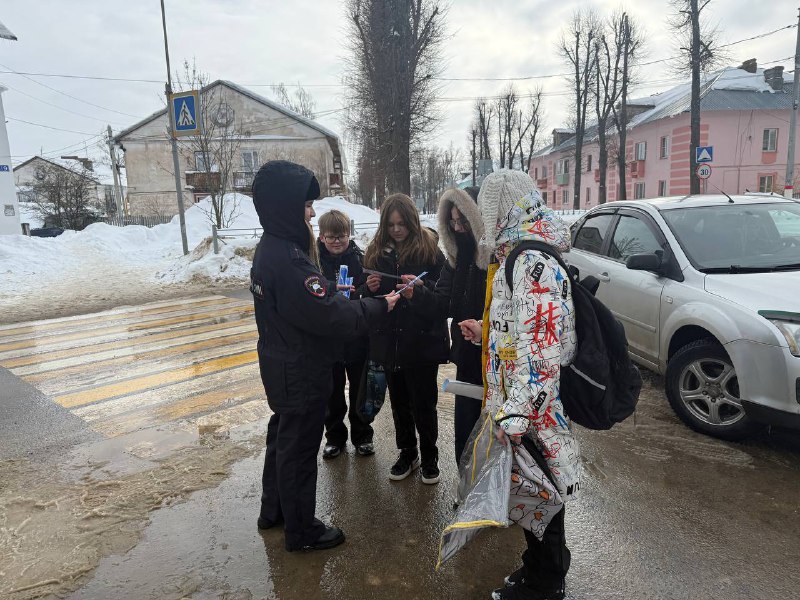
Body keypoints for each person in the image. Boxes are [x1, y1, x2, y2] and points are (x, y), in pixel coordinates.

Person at [250, 160, 399, 552]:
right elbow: (332, 316)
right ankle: (302, 531)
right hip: (300, 370)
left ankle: (274, 511)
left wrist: (332, 289)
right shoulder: (289, 260)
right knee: (299, 450)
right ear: (286, 206)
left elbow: (312, 299)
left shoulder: (272, 249)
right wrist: (380, 305)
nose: (312, 213)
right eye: (305, 205)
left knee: (282, 439)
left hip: (282, 365)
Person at [459, 170, 580, 600]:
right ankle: (540, 568)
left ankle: (545, 585)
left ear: (500, 209)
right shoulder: (519, 255)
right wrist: (489, 334)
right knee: (531, 496)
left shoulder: (529, 262)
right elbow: (525, 333)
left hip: (532, 413)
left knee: (542, 497)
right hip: (523, 405)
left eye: (486, 211)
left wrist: (516, 417)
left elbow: (543, 355)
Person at [362, 193, 449, 484]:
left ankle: (430, 456)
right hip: (390, 344)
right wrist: (369, 288)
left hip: (421, 344)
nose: (396, 230)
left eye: (401, 224)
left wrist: (419, 292)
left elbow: (443, 301)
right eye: (390, 225)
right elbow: (364, 298)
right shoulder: (376, 252)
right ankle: (408, 453)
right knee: (399, 404)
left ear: (412, 221)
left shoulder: (431, 251)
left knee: (424, 405)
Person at [411, 186, 488, 465]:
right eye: (452, 222)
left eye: (463, 220)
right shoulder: (456, 260)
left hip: (496, 360)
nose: (457, 228)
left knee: (492, 433)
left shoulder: (497, 260)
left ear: (478, 218)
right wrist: (418, 293)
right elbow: (442, 304)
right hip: (466, 359)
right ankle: (466, 483)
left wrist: (484, 328)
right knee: (466, 431)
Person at [316, 209, 374, 459]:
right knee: (332, 393)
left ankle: (363, 436)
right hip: (328, 341)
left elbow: (367, 292)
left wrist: (363, 290)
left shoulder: (361, 259)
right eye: (331, 237)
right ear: (322, 237)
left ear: (349, 234)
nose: (337, 241)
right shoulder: (314, 262)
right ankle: (334, 437)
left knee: (360, 391)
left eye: (342, 236)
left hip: (356, 336)